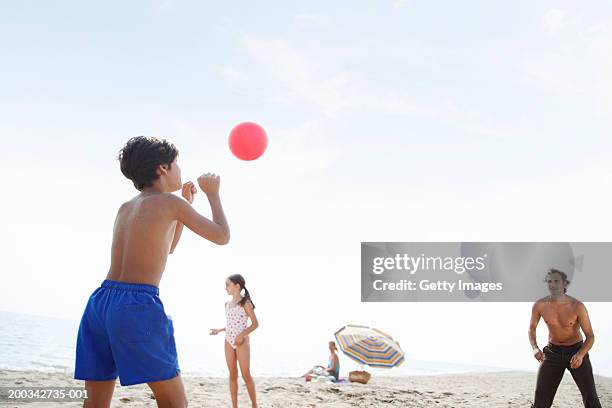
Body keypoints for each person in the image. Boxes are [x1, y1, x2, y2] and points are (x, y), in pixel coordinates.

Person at [75, 136, 230, 407]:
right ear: (162, 168)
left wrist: (185, 209)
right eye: (176, 163)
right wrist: (213, 194)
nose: (180, 169)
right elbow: (221, 236)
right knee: (174, 402)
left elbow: (167, 247)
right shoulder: (169, 203)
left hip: (100, 302)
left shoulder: (127, 207)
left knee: (95, 402)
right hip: (136, 304)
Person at [528, 268, 602, 408]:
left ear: (565, 284)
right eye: (549, 281)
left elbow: (590, 336)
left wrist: (580, 354)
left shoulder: (577, 306)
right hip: (552, 353)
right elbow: (531, 328)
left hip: (576, 351)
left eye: (556, 281)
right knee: (541, 399)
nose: (552, 284)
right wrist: (534, 348)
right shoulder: (540, 305)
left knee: (590, 397)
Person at [210, 274, 259, 408]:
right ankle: (234, 406)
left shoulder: (245, 303)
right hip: (228, 341)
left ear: (237, 286)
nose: (225, 287)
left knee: (245, 374)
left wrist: (242, 335)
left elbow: (255, 324)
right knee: (232, 374)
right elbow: (232, 324)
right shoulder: (226, 304)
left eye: (228, 284)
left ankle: (254, 405)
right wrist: (219, 330)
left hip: (242, 342)